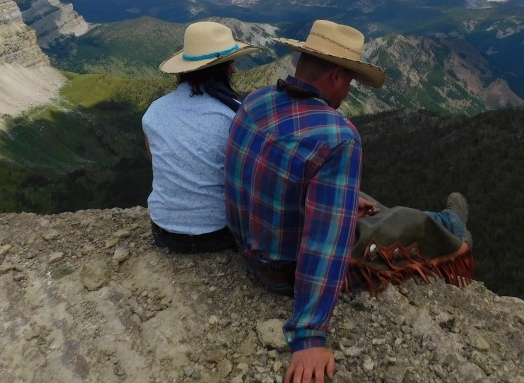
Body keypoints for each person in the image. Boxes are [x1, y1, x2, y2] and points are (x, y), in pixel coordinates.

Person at [225, 20, 472, 383]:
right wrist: (309, 336)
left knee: (359, 198)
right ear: (337, 77)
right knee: (402, 219)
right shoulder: (339, 136)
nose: (349, 91)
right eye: (351, 82)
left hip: (247, 246)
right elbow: (324, 244)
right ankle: (454, 227)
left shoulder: (255, 100)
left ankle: (417, 216)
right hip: (282, 269)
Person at [142, 21, 261, 253]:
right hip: (218, 233)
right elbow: (246, 177)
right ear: (221, 69)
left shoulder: (154, 110)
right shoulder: (234, 114)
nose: (234, 70)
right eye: (231, 63)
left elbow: (156, 159)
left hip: (163, 231)